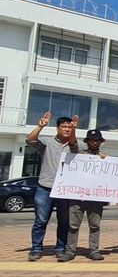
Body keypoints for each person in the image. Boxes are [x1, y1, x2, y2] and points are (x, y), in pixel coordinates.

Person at [26, 112, 79, 261]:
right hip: (45, 186)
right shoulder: (47, 143)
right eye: (64, 127)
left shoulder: (76, 143)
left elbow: (76, 148)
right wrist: (40, 126)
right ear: (57, 128)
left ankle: (60, 248)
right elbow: (30, 140)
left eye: (70, 127)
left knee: (63, 222)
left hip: (64, 190)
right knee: (40, 220)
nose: (67, 129)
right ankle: (36, 249)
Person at [58, 129, 108, 262]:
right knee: (73, 226)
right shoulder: (78, 154)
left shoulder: (104, 157)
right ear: (87, 141)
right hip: (77, 196)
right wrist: (73, 128)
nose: (94, 142)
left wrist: (105, 161)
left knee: (95, 226)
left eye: (97, 140)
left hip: (95, 198)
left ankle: (94, 250)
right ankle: (70, 251)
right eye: (92, 140)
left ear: (100, 142)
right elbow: (72, 144)